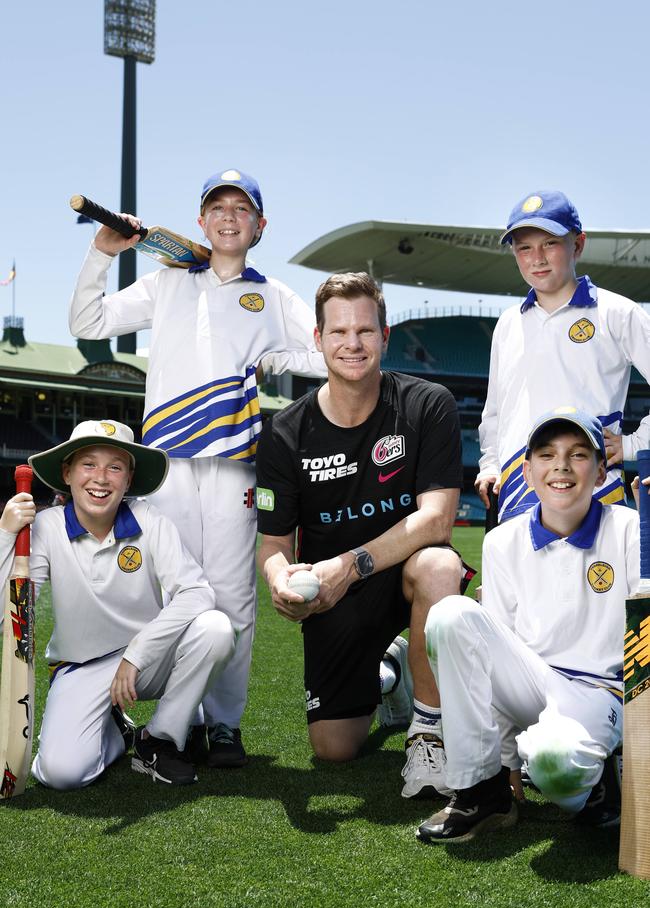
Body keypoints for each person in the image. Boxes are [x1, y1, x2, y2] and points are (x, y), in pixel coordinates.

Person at [69, 169, 326, 767]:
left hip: (236, 466)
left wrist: (274, 358)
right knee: (170, 595)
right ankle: (169, 720)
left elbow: (324, 352)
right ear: (201, 221)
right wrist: (100, 254)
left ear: (260, 226)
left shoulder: (273, 294)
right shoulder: (167, 283)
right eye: (217, 207)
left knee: (234, 600)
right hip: (167, 465)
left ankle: (226, 726)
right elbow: (88, 324)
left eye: (243, 208)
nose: (229, 216)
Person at [255, 272, 469, 791]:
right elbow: (274, 545)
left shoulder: (428, 403)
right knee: (334, 748)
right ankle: (390, 673)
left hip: (404, 575)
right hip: (336, 597)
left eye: (365, 332)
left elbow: (438, 518)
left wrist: (348, 566)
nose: (353, 344)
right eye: (339, 332)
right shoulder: (284, 434)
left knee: (440, 563)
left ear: (385, 336)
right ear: (318, 339)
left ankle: (428, 735)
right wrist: (280, 581)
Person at [419, 408, 641, 843]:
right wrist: (506, 763)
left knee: (555, 764)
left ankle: (598, 786)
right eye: (546, 454)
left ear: (600, 472)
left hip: (600, 693)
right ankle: (483, 791)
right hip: (532, 682)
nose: (561, 466)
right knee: (450, 615)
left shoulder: (631, 529)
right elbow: (491, 656)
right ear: (527, 470)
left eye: (578, 455)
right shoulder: (503, 540)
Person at [0, 420, 235, 789]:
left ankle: (157, 739)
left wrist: (137, 653)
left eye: (115, 467)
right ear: (67, 472)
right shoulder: (46, 527)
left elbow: (197, 592)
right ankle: (116, 733)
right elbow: (12, 614)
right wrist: (5, 535)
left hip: (148, 659)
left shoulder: (149, 520)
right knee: (61, 775)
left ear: (128, 479)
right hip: (81, 666)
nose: (101, 478)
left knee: (216, 629)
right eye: (88, 464)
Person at [475, 189, 650, 522]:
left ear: (578, 244)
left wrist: (632, 444)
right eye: (524, 247)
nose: (536, 258)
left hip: (593, 488)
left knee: (594, 575)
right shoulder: (509, 323)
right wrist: (490, 465)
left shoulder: (617, 312)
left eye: (550, 243)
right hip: (516, 489)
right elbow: (495, 411)